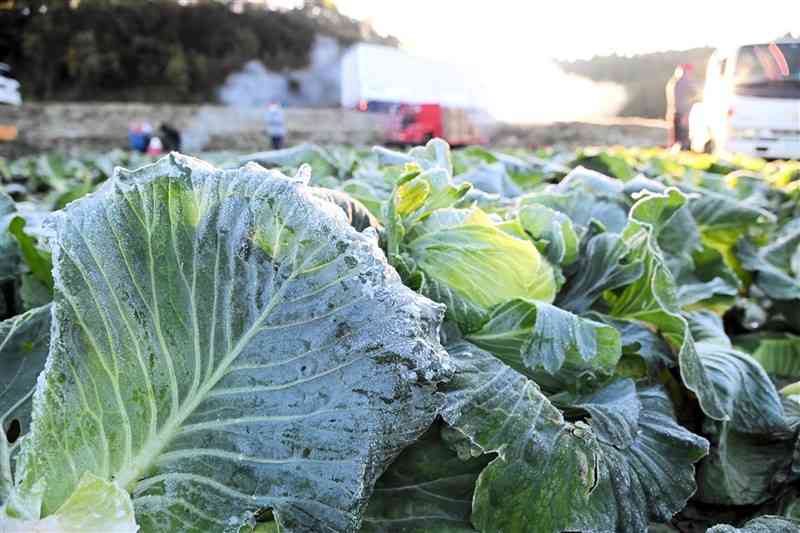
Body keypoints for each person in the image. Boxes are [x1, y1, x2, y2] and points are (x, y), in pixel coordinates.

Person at [665, 64, 699, 149]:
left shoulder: (674, 82)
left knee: (676, 135)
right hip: (681, 113)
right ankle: (682, 150)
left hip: (675, 112)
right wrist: (685, 114)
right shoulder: (684, 83)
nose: (690, 73)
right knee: (682, 136)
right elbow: (683, 101)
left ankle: (678, 150)